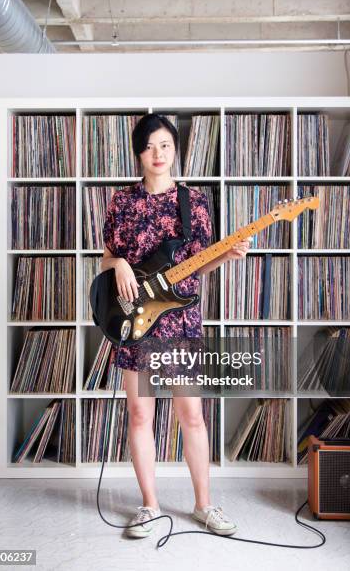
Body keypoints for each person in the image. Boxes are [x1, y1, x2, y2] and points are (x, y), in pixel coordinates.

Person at [100, 113, 252, 538]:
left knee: (193, 416)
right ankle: (149, 506)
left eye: (165, 144)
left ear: (175, 149)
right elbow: (107, 258)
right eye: (150, 146)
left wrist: (229, 254)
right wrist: (121, 265)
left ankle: (204, 505)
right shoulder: (122, 203)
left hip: (180, 321)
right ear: (138, 152)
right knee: (138, 415)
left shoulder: (195, 201)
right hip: (136, 321)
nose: (158, 153)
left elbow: (199, 265)